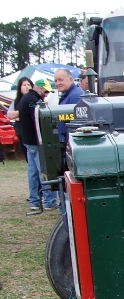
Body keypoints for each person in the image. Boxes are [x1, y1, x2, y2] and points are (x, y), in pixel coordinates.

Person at [18, 77, 58, 215]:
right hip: (35, 141)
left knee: (33, 172)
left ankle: (34, 201)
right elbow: (38, 121)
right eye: (45, 91)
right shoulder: (33, 101)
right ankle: (49, 201)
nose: (46, 94)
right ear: (39, 88)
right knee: (44, 171)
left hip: (27, 141)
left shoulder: (24, 99)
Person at [8, 77, 33, 157]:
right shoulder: (16, 101)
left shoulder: (34, 99)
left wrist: (18, 115)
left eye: (28, 85)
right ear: (20, 88)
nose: (27, 87)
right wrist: (24, 111)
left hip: (32, 135)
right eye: (24, 85)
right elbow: (9, 115)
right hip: (21, 134)